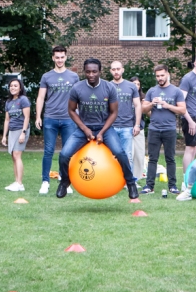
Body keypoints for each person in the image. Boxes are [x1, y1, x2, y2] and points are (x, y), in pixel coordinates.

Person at [57, 58, 138, 199]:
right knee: (64, 155)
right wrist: (85, 129)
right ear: (84, 72)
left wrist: (101, 132)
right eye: (88, 72)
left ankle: (130, 183)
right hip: (83, 129)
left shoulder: (109, 87)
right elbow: (71, 110)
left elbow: (114, 113)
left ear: (100, 71)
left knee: (120, 152)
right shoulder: (77, 88)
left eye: (94, 71)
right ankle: (65, 181)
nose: (91, 74)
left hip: (105, 128)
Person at [35, 45, 79, 195]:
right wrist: (38, 116)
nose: (60, 60)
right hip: (50, 118)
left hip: (69, 119)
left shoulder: (74, 77)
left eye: (62, 57)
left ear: (66, 57)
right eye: (57, 57)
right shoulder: (46, 76)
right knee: (48, 151)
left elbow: (78, 98)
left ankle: (65, 182)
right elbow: (41, 97)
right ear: (53, 58)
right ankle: (45, 182)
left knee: (67, 152)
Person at [141, 65, 186, 195]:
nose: (160, 78)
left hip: (169, 129)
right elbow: (143, 110)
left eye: (162, 75)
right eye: (158, 76)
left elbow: (182, 110)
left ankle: (172, 186)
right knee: (152, 158)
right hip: (154, 129)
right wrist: (151, 104)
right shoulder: (152, 91)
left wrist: (167, 105)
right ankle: (149, 186)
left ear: (167, 74)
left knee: (170, 158)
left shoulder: (176, 91)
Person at [109, 61, 142, 184]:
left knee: (127, 155)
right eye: (113, 69)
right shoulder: (107, 86)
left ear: (122, 70)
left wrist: (137, 124)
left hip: (127, 126)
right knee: (111, 156)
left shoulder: (131, 86)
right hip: (110, 127)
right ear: (110, 71)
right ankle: (112, 180)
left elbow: (138, 105)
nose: (116, 71)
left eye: (118, 69)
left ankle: (128, 182)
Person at [1, 78, 30, 192]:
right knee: (13, 156)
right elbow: (7, 120)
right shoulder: (8, 102)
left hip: (21, 130)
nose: (13, 88)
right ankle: (16, 181)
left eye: (15, 86)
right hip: (12, 131)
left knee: (17, 155)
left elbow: (27, 117)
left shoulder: (23, 100)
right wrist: (4, 136)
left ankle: (20, 183)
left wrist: (23, 133)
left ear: (20, 88)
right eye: (11, 86)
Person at [129, 76, 146, 181]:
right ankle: (126, 178)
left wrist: (146, 104)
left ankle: (136, 178)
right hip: (127, 128)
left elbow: (147, 112)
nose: (136, 86)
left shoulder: (143, 98)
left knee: (139, 155)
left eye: (138, 84)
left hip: (139, 128)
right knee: (129, 155)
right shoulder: (124, 96)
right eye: (134, 84)